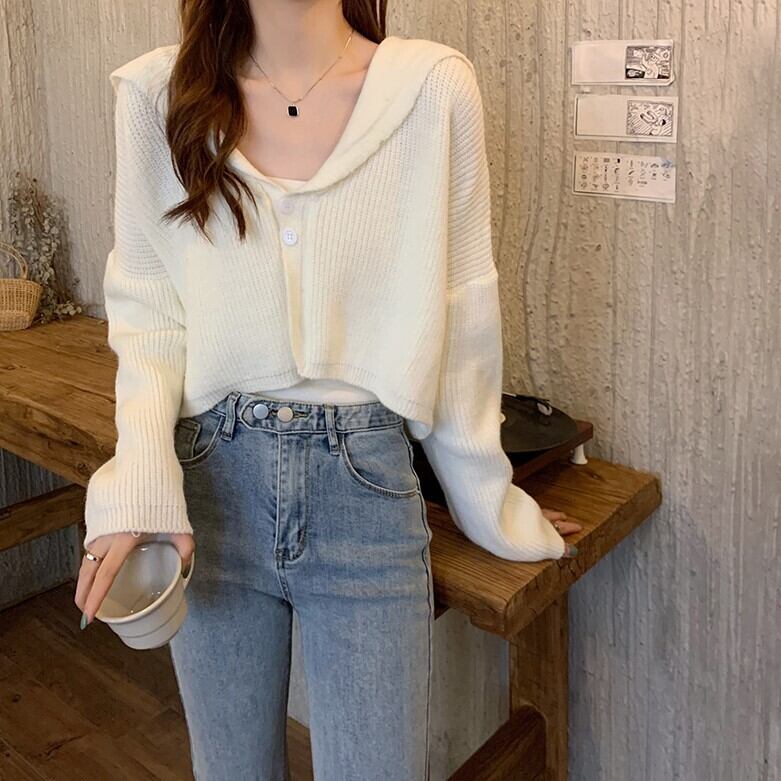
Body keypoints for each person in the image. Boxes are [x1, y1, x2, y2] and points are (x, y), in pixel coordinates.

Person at [74, 1, 581, 778]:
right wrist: (138, 486)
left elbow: (461, 319)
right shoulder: (155, 96)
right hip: (209, 489)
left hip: (366, 492)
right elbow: (147, 314)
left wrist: (488, 498)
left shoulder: (432, 89)